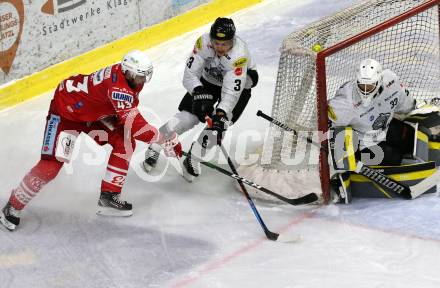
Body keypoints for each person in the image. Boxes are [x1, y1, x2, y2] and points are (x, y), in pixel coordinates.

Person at [0, 50, 182, 231]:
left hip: (91, 115)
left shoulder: (129, 79)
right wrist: (163, 140)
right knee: (52, 166)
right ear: (127, 72)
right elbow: (135, 124)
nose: (142, 81)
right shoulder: (120, 88)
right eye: (139, 76)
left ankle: (108, 197)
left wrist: (159, 138)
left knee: (124, 141)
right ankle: (13, 206)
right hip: (65, 115)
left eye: (145, 76)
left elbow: (126, 116)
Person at [142, 17, 258, 181]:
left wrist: (221, 113)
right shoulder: (203, 43)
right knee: (188, 117)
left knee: (219, 126)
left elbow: (231, 91)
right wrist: (198, 92)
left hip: (239, 87)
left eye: (224, 44)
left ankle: (193, 158)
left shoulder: (239, 55)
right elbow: (189, 74)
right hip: (208, 81)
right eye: (216, 42)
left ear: (232, 41)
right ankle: (156, 143)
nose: (220, 47)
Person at [328, 58, 416, 203]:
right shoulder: (345, 102)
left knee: (411, 138)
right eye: (362, 86)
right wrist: (342, 161)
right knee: (394, 157)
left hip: (384, 128)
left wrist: (417, 110)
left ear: (380, 81)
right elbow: (330, 129)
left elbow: (405, 105)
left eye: (370, 86)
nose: (365, 90)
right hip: (364, 144)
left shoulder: (391, 81)